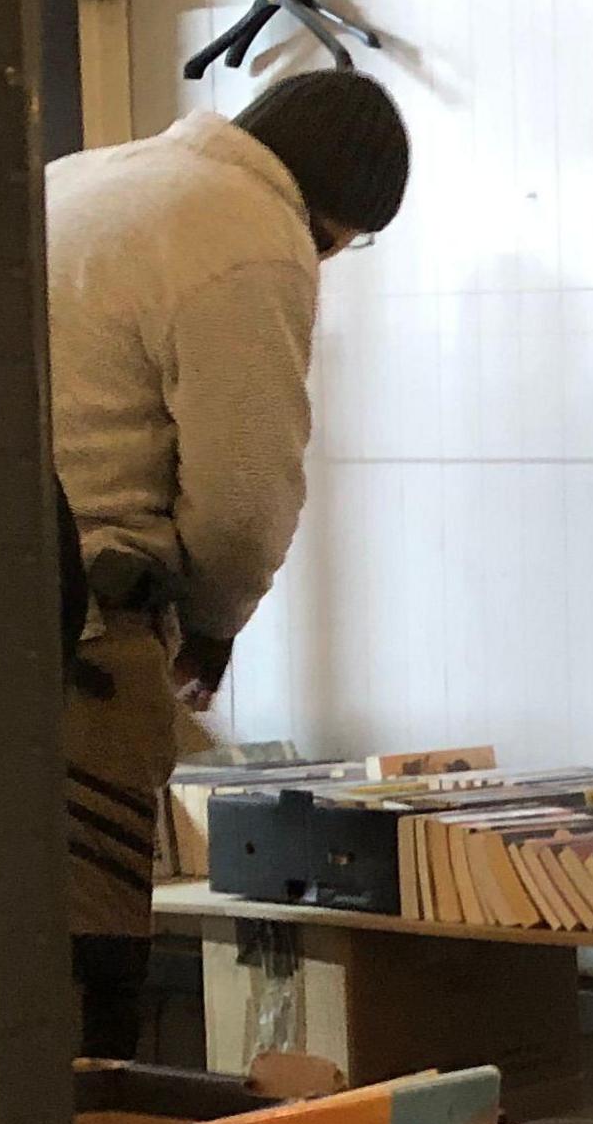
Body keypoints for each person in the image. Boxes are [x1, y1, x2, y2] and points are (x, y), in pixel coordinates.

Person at [51, 68, 411, 1059]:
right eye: (338, 245)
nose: (326, 263)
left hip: (17, 585)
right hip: (76, 624)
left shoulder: (85, 177)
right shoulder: (254, 236)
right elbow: (248, 494)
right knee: (86, 980)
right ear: (329, 216)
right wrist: (212, 624)